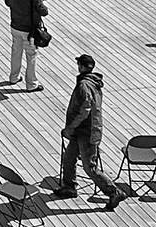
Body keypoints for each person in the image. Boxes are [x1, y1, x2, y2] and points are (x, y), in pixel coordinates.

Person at [52, 54, 133, 206]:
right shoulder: (94, 82)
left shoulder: (83, 85)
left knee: (90, 167)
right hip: (83, 130)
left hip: (86, 132)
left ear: (82, 67)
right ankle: (69, 187)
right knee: (69, 158)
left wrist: (70, 127)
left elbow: (85, 109)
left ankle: (114, 192)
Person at [4, 0, 47, 90]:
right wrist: (40, 1)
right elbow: (44, 12)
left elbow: (7, 3)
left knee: (16, 52)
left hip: (15, 26)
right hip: (29, 31)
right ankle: (32, 84)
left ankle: (14, 77)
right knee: (31, 55)